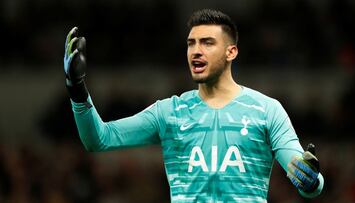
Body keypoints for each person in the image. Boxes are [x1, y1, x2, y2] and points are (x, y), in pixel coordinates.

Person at [63, 9, 324, 202]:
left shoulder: (267, 110)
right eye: (191, 43)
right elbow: (99, 138)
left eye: (207, 43)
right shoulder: (168, 113)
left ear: (231, 52)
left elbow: (301, 171)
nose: (195, 51)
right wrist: (77, 88)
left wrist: (311, 180)